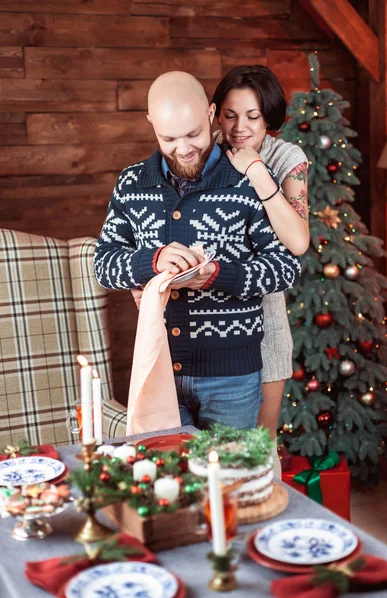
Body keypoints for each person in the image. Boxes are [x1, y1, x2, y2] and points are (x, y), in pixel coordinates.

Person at [94, 71, 301, 431]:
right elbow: (103, 264)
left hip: (233, 378)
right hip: (157, 368)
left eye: (193, 134)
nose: (184, 148)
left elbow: (286, 266)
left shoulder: (248, 180)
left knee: (234, 485)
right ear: (151, 124)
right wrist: (151, 261)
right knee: (168, 484)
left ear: (210, 114)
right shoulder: (131, 183)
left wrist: (220, 274)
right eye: (168, 138)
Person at [212, 65, 309, 455]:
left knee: (257, 447)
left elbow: (298, 241)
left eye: (252, 116)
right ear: (216, 113)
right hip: (209, 315)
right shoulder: (204, 152)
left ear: (268, 116)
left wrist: (255, 169)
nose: (239, 127)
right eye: (230, 115)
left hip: (265, 314)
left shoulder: (286, 156)